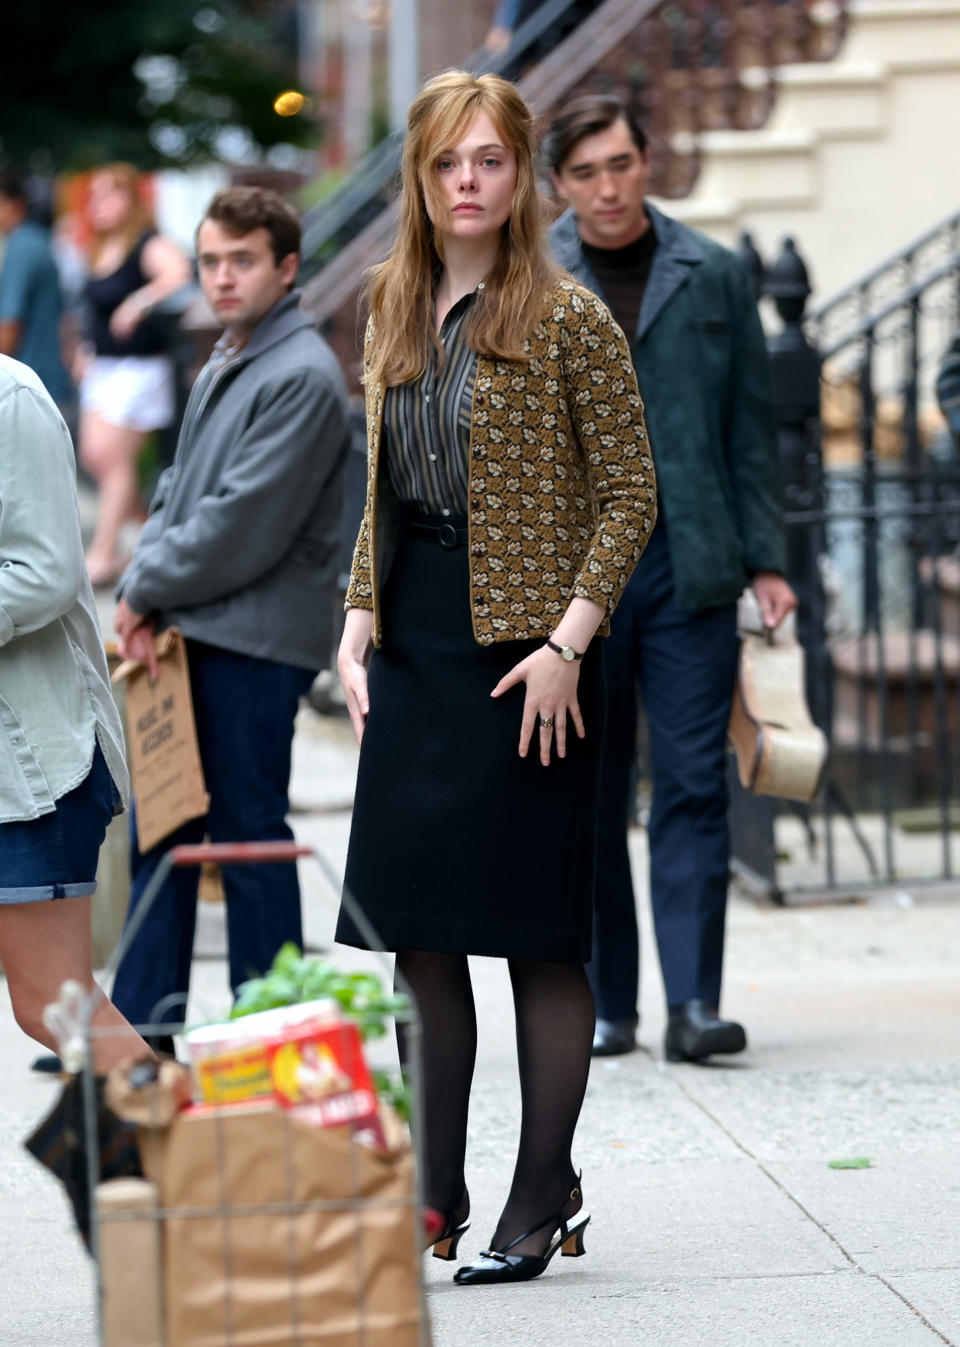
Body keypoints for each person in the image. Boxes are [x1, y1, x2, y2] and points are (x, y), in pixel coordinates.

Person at [336, 71, 655, 1284]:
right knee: (420, 934)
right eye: (444, 165)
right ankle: (433, 1192)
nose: (466, 184)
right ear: (420, 181)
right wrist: (359, 614)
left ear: (522, 177)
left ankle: (541, 1191)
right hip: (418, 645)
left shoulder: (568, 316)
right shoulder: (392, 303)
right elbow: (385, 484)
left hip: (535, 660)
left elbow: (631, 494)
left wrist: (570, 645)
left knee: (534, 935)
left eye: (488, 162)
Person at [546, 95, 797, 1062]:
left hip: (691, 562)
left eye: (621, 164)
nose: (608, 189)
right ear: (560, 183)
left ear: (648, 162)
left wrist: (766, 558)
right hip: (577, 579)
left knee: (693, 784)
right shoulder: (537, 275)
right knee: (593, 787)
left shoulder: (716, 274)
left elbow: (750, 430)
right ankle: (612, 1004)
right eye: (586, 172)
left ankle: (694, 1003)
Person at [109, 186, 351, 1053]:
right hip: (197, 628)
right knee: (164, 831)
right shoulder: (229, 357)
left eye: (241, 260)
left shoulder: (302, 375)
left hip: (251, 641)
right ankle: (142, 1028)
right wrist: (145, 583)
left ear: (286, 268)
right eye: (210, 260)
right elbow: (176, 493)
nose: (220, 277)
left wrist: (142, 591)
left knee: (249, 840)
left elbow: (240, 523)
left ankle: (273, 1033)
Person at [0, 353, 149, 1071]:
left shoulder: (12, 397)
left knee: (52, 1002)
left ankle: (207, 1159)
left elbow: (45, 572)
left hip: (31, 761)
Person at [75, 164, 190, 587]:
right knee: (94, 457)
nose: (99, 205)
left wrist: (139, 302)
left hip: (139, 367)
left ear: (131, 199)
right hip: (103, 366)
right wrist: (88, 347)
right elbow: (95, 310)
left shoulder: (147, 243)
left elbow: (178, 273)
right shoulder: (99, 247)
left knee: (116, 459)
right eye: (95, 197)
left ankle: (103, 555)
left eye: (110, 195)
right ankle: (148, 538)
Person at [0, 174, 71, 407]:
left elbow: (10, 323)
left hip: (28, 386)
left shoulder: (21, 248)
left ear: (16, 205)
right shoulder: (37, 241)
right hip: (48, 379)